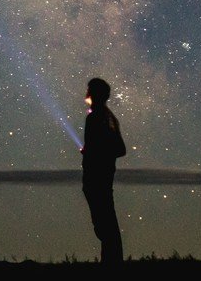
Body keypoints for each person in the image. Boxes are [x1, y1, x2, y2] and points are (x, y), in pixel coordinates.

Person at [80, 77, 126, 264]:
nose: (87, 93)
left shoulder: (95, 117)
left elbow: (114, 149)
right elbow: (120, 149)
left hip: (96, 179)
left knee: (105, 228)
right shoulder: (110, 118)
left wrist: (91, 151)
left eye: (89, 89)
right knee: (107, 228)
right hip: (104, 178)